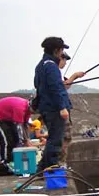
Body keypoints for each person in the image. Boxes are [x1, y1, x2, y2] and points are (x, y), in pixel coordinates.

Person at [33, 36, 70, 171]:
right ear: (56, 50)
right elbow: (55, 88)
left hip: (46, 107)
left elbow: (38, 84)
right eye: (61, 50)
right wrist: (62, 107)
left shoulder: (41, 65)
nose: (62, 54)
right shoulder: (51, 66)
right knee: (55, 141)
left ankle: (42, 169)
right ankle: (51, 169)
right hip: (54, 109)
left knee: (52, 139)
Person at [0, 97, 34, 165]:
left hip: (7, 118)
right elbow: (19, 127)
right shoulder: (20, 108)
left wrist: (28, 140)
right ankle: (3, 161)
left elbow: (25, 125)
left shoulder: (28, 110)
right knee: (6, 139)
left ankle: (12, 159)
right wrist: (25, 142)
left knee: (16, 138)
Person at [58, 52, 85, 165]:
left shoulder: (56, 71)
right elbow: (60, 87)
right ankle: (60, 163)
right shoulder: (54, 70)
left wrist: (74, 77)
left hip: (62, 107)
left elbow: (65, 85)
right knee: (65, 137)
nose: (65, 63)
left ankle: (60, 163)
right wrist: (74, 76)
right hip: (61, 109)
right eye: (64, 60)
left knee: (64, 137)